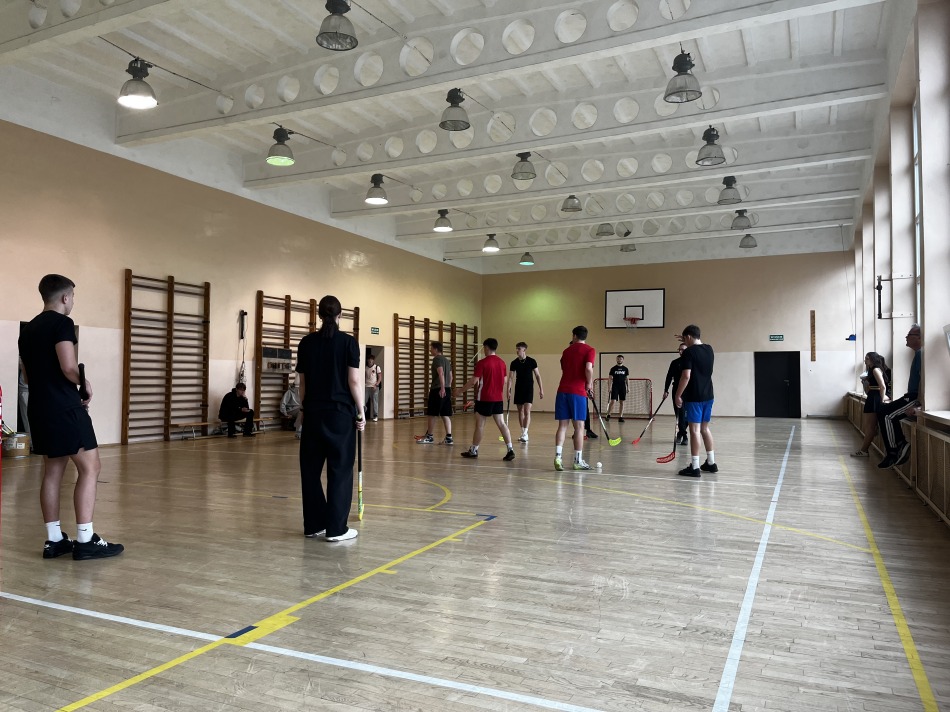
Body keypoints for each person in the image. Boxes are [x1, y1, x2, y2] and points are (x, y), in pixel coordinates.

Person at [18, 274, 124, 560]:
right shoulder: (62, 323)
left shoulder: (28, 330)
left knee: (53, 471)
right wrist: (84, 383)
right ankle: (86, 539)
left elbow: (27, 375)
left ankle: (54, 540)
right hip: (64, 408)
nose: (73, 301)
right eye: (72, 297)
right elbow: (68, 366)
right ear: (65, 297)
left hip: (39, 408)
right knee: (91, 467)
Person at [296, 295, 365, 542]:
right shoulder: (349, 343)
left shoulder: (306, 343)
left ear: (318, 315)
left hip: (313, 414)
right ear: (340, 315)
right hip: (340, 416)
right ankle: (336, 529)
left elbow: (302, 384)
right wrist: (362, 411)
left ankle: (314, 525)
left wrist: (303, 411)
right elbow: (353, 381)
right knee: (340, 470)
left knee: (310, 471)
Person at [459, 338, 515, 461]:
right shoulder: (502, 363)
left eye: (484, 348)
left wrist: (460, 391)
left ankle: (474, 450)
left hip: (484, 398)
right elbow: (505, 380)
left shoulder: (482, 363)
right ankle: (510, 449)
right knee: (501, 424)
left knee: (480, 425)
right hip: (498, 399)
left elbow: (473, 381)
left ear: (487, 348)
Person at [674, 324, 717, 477]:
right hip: (708, 395)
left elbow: (686, 376)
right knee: (705, 429)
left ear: (688, 337)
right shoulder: (709, 349)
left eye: (685, 339)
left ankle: (695, 466)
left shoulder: (689, 352)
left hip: (694, 397)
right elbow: (695, 343)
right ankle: (711, 463)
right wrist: (686, 338)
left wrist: (678, 395)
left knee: (694, 430)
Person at [877, 324, 922, 468]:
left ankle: (893, 451)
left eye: (909, 335)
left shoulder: (921, 354)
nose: (906, 337)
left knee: (886, 415)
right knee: (882, 411)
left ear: (919, 337)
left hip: (914, 397)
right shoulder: (918, 354)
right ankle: (900, 443)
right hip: (910, 396)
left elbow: (925, 382)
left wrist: (919, 405)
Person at [554, 326, 596, 471]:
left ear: (574, 336)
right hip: (578, 392)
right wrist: (589, 384)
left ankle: (558, 457)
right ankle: (578, 461)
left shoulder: (566, 351)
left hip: (562, 391)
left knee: (562, 426)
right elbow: (588, 368)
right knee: (579, 427)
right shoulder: (590, 350)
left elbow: (563, 367)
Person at [851, 352, 891, 457]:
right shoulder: (873, 370)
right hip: (873, 396)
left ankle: (864, 450)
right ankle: (864, 450)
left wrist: (881, 399)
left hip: (874, 398)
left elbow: (882, 386)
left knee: (870, 427)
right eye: (865, 358)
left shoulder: (875, 369)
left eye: (867, 358)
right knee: (871, 427)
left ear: (873, 359)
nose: (865, 360)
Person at [417, 341, 453, 445]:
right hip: (447, 389)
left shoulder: (437, 359)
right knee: (445, 414)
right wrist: (447, 387)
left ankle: (430, 437)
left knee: (432, 414)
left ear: (436, 349)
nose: (430, 350)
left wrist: (442, 388)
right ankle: (449, 438)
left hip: (438, 389)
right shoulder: (446, 360)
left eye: (431, 348)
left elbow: (440, 373)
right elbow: (451, 376)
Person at [509, 341, 543, 443]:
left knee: (527, 411)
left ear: (524, 350)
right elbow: (510, 378)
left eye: (519, 349)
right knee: (520, 411)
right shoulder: (514, 363)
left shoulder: (532, 361)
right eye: (516, 348)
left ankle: (525, 433)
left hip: (528, 388)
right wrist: (508, 390)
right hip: (518, 388)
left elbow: (537, 375)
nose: (517, 350)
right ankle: (523, 432)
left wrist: (541, 389)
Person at [664, 344, 689, 446]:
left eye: (683, 350)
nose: (681, 351)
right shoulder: (675, 362)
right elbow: (669, 377)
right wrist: (666, 390)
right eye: (679, 349)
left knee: (687, 415)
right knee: (679, 413)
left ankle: (681, 433)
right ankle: (684, 436)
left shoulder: (691, 361)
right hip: (676, 390)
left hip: (688, 390)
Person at [605, 355, 630, 421]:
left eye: (621, 359)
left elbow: (627, 379)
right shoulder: (613, 368)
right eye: (618, 359)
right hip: (615, 386)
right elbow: (610, 378)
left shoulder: (625, 369)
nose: (619, 360)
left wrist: (628, 387)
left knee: (622, 402)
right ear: (616, 360)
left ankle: (620, 417)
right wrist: (609, 387)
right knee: (613, 401)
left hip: (622, 386)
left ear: (623, 360)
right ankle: (608, 415)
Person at [364, 354, 382, 422]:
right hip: (366, 386)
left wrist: (376, 385)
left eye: (372, 359)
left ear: (373, 360)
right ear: (367, 360)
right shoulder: (365, 368)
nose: (370, 360)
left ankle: (375, 415)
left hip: (374, 387)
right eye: (369, 359)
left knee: (375, 401)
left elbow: (380, 377)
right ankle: (362, 414)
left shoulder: (376, 367)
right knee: (364, 401)